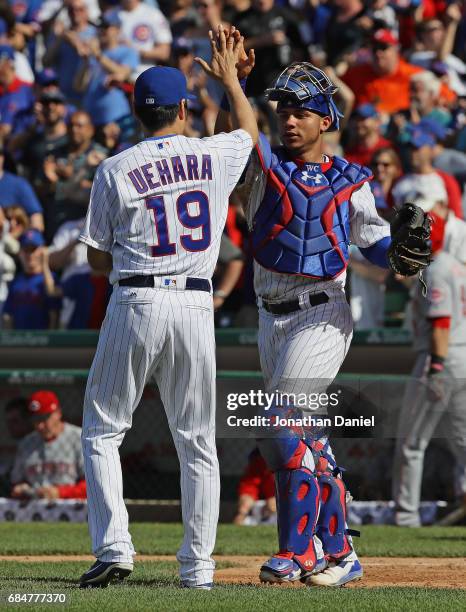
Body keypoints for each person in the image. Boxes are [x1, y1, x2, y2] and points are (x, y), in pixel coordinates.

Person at [217, 39, 430, 586]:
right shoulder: (264, 168)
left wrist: (400, 252)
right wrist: (232, 86)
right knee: (305, 437)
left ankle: (298, 552)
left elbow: (378, 242)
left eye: (303, 110)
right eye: (284, 109)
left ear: (327, 119)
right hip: (271, 314)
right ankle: (340, 550)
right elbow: (231, 137)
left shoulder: (351, 180)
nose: (290, 119)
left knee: (283, 425)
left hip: (322, 312)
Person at [78, 27, 257, 589]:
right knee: (197, 438)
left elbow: (97, 264)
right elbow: (249, 132)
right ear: (183, 108)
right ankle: (198, 568)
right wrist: (232, 82)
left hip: (135, 296)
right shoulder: (210, 155)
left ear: (136, 112)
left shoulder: (113, 169)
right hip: (196, 306)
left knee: (104, 432)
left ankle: (115, 549)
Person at [392, 196, 466, 527]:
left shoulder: (437, 269)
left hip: (441, 358)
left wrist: (435, 369)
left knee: (411, 443)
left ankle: (406, 516)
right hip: (462, 357)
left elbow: (441, 322)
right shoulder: (456, 265)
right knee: (463, 442)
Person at [10, 390, 86, 501]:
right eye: (35, 420)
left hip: (71, 509)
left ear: (58, 413)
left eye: (44, 419)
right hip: (34, 509)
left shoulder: (79, 438)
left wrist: (60, 492)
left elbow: (94, 484)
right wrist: (21, 488)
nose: (39, 426)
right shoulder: (26, 443)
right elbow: (16, 481)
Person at [2, 229, 61, 329]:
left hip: (44, 341)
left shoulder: (51, 279)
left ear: (42, 251)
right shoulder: (16, 281)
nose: (30, 255)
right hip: (19, 340)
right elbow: (8, 316)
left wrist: (51, 342)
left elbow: (54, 315)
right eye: (26, 250)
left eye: (33, 249)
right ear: (20, 253)